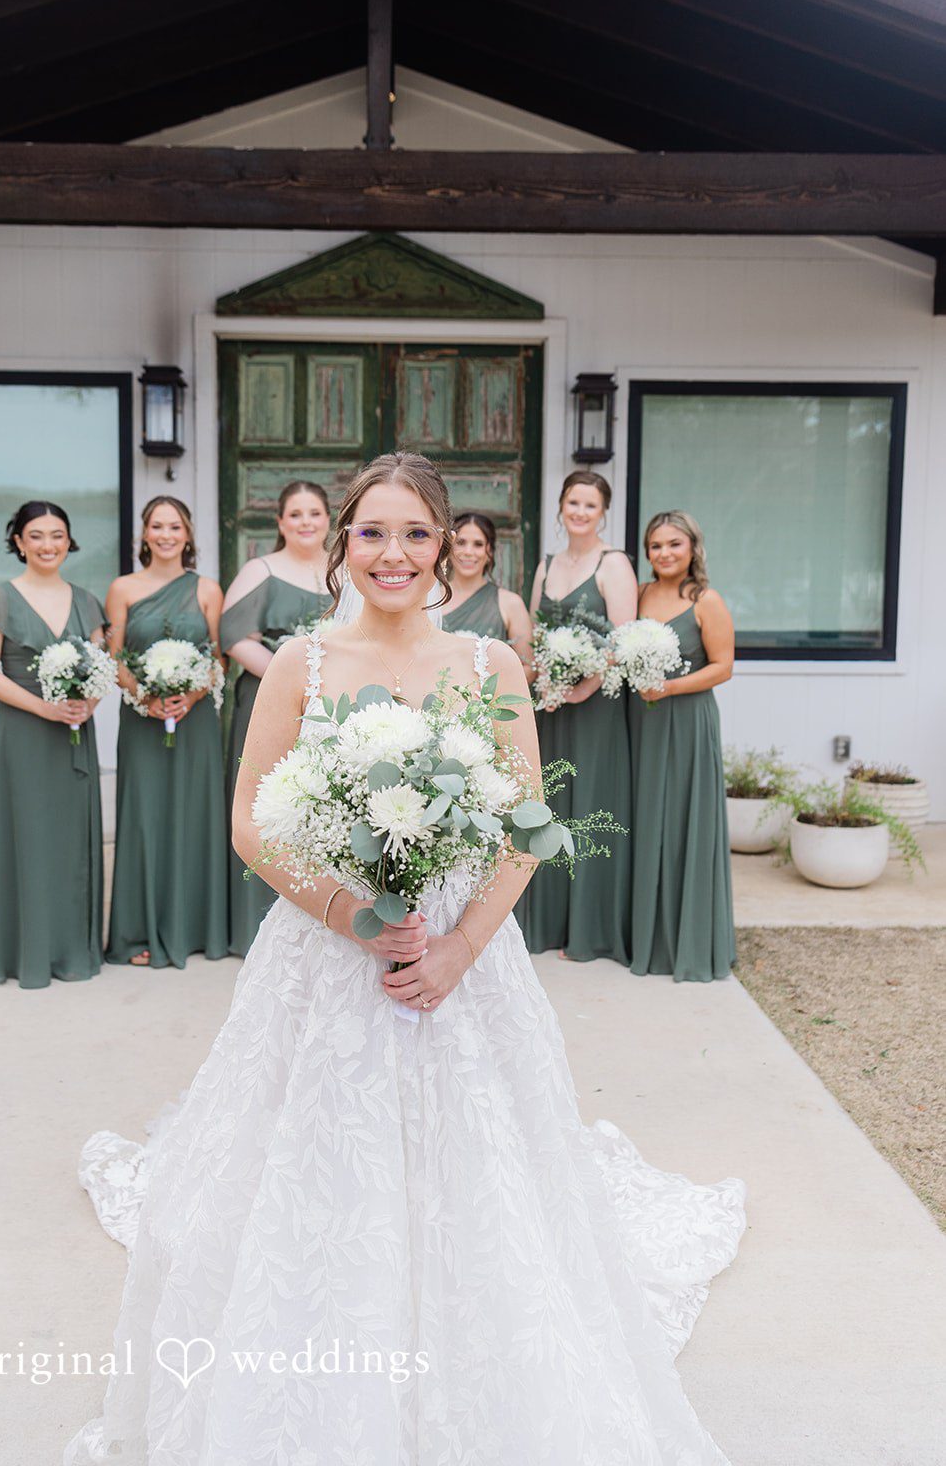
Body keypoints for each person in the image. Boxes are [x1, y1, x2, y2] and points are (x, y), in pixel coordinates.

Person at [65, 453, 745, 1466]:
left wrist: (462, 944)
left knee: (477, 1182)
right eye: (372, 532)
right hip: (327, 959)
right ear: (340, 544)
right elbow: (251, 823)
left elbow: (524, 823)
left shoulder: (488, 666)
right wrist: (349, 914)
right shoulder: (301, 664)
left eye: (415, 533)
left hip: (461, 964)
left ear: (444, 546)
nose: (394, 554)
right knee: (314, 1179)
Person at [0, 502, 106, 988]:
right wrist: (44, 708)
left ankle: (70, 950)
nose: (48, 545)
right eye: (37, 535)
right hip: (23, 734)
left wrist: (89, 702)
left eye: (58, 535)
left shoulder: (87, 601)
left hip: (72, 733)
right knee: (23, 835)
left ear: (70, 541)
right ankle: (16, 952)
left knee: (69, 841)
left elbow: (101, 668)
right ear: (19, 542)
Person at [518, 469, 636, 964]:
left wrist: (586, 684)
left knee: (589, 803)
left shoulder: (614, 564)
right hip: (549, 704)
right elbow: (530, 634)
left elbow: (623, 637)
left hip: (596, 707)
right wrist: (543, 681)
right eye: (573, 503)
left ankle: (588, 929)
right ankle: (543, 924)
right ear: (561, 507)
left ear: (603, 512)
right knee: (547, 806)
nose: (580, 513)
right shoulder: (547, 564)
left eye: (590, 505)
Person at [105, 496, 228, 968]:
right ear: (144, 534)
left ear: (188, 534)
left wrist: (191, 695)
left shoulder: (208, 590)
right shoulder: (123, 588)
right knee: (143, 817)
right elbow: (113, 655)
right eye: (157, 526)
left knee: (194, 816)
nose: (166, 534)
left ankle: (194, 928)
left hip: (195, 722)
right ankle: (137, 930)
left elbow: (218, 659)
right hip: (140, 722)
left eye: (174, 526)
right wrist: (144, 695)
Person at [220, 480, 331, 956]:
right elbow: (232, 635)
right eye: (296, 514)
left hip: (334, 707)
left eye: (315, 513)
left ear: (329, 519)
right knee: (266, 804)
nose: (306, 522)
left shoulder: (347, 570)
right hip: (269, 698)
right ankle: (255, 923)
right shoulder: (260, 570)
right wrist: (292, 682)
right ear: (281, 522)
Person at [630, 510, 736, 981]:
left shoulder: (705, 600)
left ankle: (687, 942)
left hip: (688, 720)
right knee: (647, 819)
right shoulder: (641, 594)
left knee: (681, 823)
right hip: (642, 723)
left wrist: (669, 689)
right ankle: (644, 936)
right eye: (655, 546)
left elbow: (724, 666)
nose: (664, 553)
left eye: (674, 544)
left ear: (692, 547)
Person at [439, 510, 533, 678]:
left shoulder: (510, 603)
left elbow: (528, 667)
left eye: (478, 544)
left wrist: (487, 697)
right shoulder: (429, 598)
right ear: (450, 547)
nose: (468, 551)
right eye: (461, 542)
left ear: (489, 552)